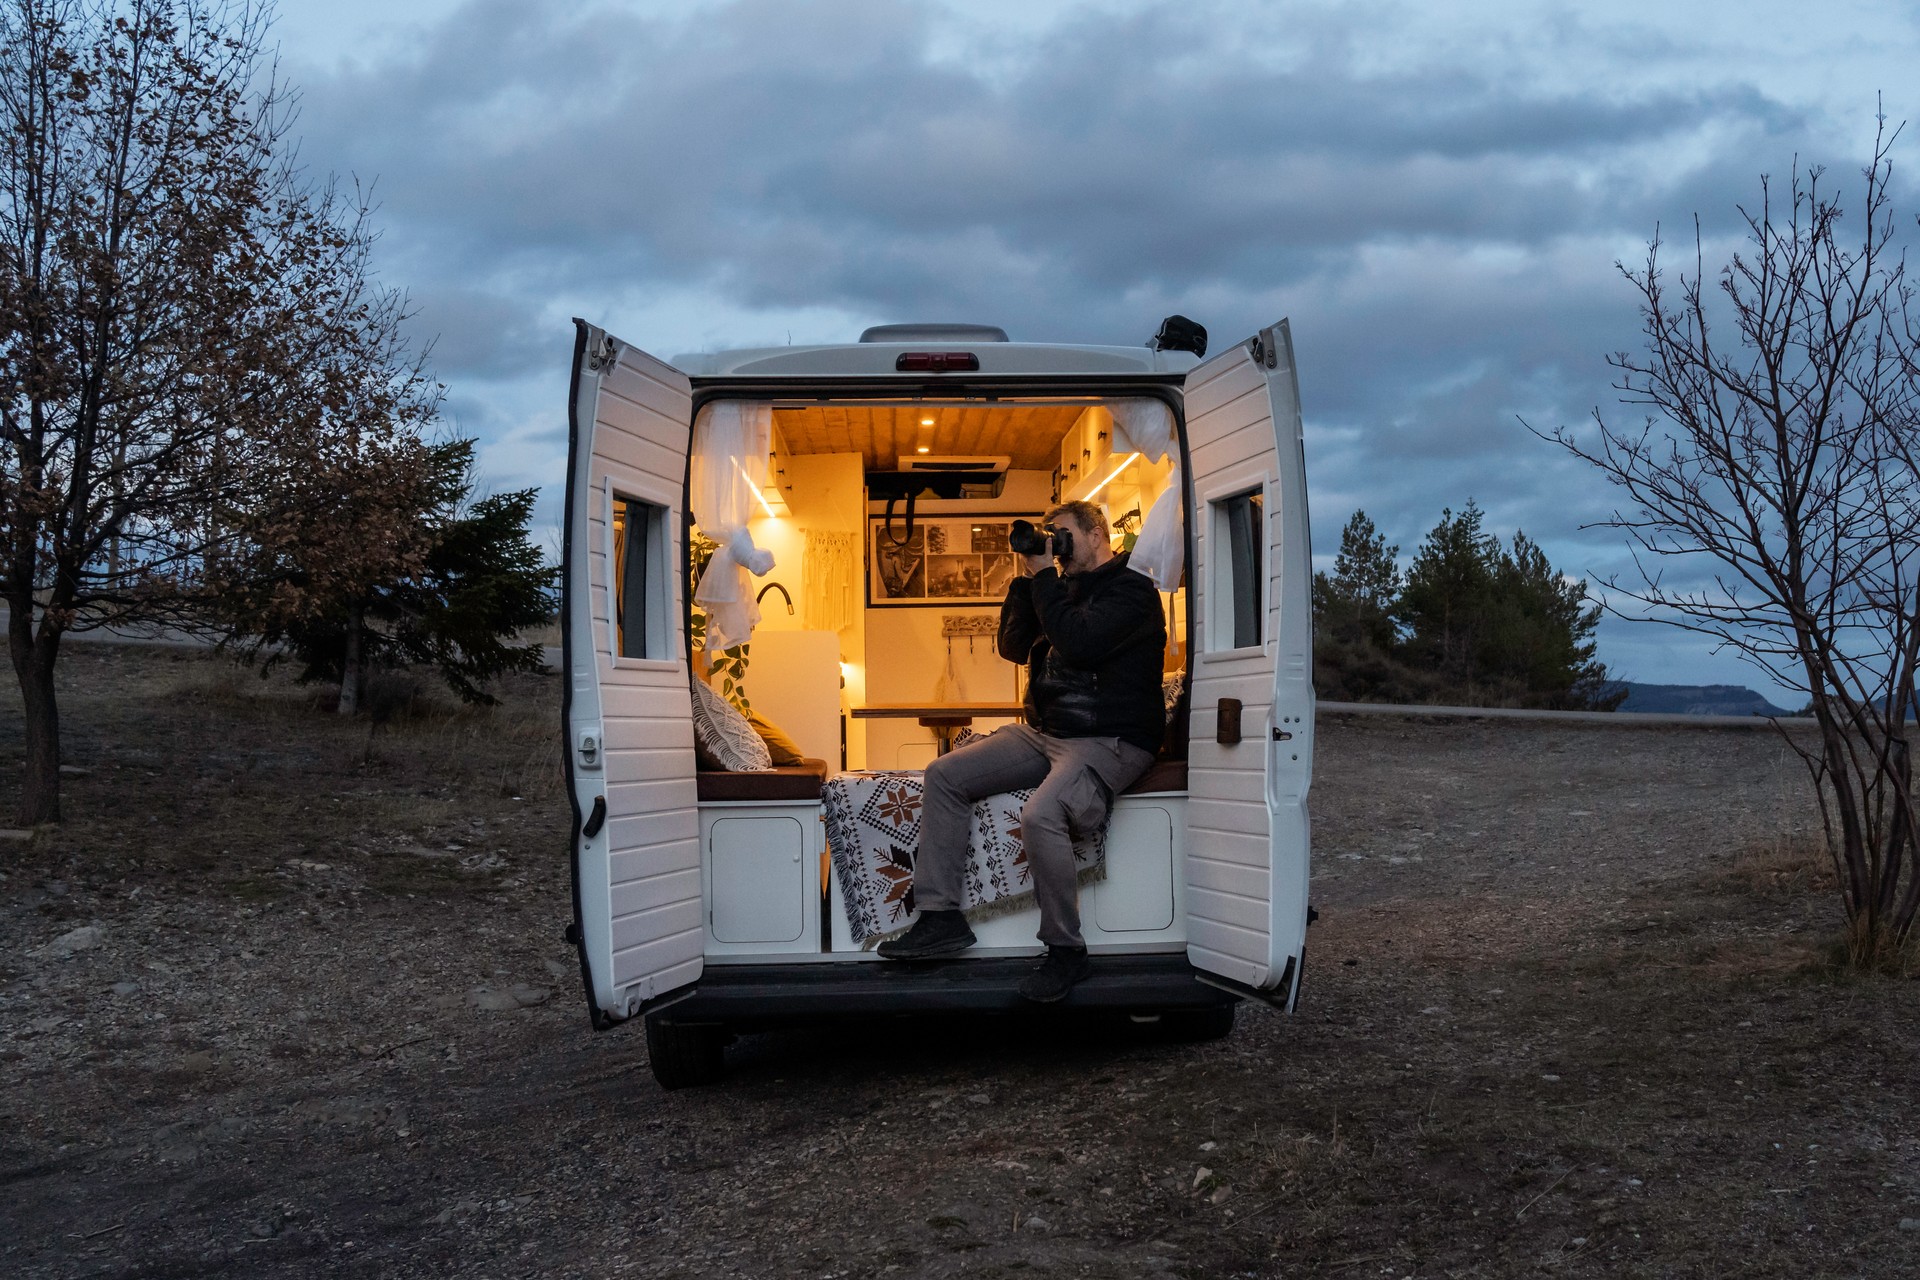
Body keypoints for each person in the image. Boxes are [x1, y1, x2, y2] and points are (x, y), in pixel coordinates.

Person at [877, 500, 1168, 1002]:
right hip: (1047, 732)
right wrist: (1027, 577)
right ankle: (940, 917)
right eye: (1048, 535)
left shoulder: (1133, 591)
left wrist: (1044, 579)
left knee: (1040, 815)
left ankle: (1065, 951)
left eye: (1062, 535)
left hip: (1111, 738)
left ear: (1096, 531)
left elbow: (1078, 644)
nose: (1054, 544)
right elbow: (1012, 647)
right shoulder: (1058, 587)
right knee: (944, 774)